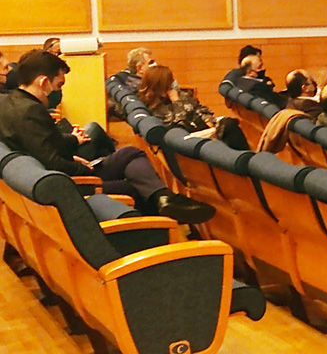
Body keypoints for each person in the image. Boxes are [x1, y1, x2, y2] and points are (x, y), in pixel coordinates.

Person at [0, 50, 215, 224]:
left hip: (55, 176)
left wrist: (72, 147)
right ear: (43, 82)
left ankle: (165, 200)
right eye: (59, 85)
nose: (59, 91)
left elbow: (41, 145)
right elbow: (52, 161)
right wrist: (85, 169)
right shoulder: (31, 110)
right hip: (70, 183)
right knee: (134, 184)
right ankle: (164, 223)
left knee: (130, 155)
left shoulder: (10, 103)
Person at [138, 65, 249, 150]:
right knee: (229, 127)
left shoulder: (180, 94)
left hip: (202, 128)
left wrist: (208, 120)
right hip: (189, 140)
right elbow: (180, 123)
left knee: (230, 124)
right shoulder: (156, 108)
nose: (173, 84)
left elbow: (199, 107)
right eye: (170, 82)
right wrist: (176, 101)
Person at [107, 47, 156, 119]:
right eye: (150, 62)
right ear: (139, 68)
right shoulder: (136, 87)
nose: (155, 65)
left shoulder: (126, 78)